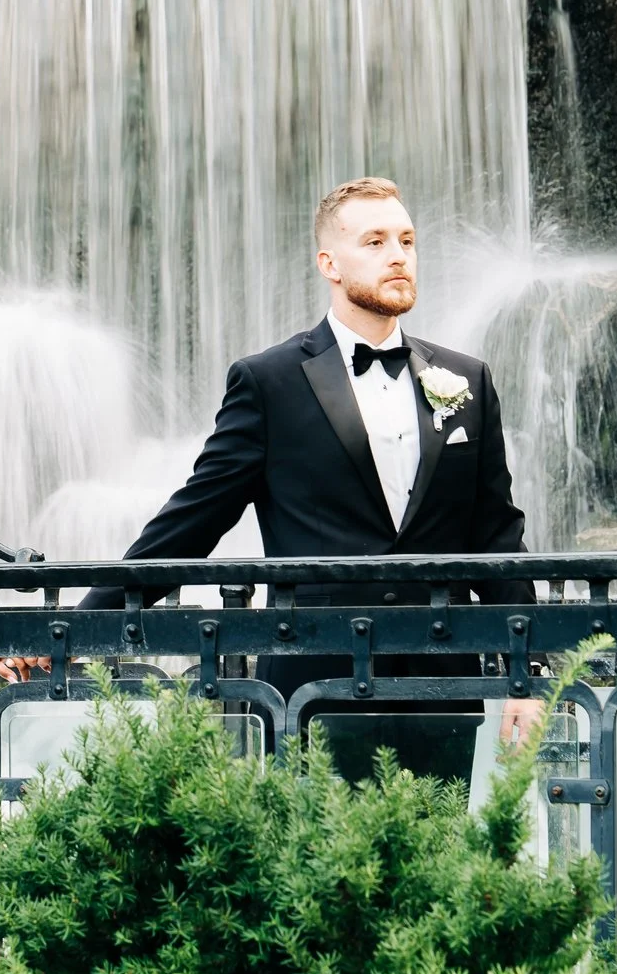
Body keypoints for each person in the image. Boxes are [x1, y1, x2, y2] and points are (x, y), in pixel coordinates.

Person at [86, 177, 537, 781]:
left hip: (441, 690)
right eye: (374, 242)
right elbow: (192, 520)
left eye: (406, 239)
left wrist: (525, 674)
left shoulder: (468, 381)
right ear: (329, 262)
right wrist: (81, 621)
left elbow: (497, 541)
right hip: (309, 691)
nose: (398, 255)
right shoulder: (268, 382)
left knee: (437, 869)